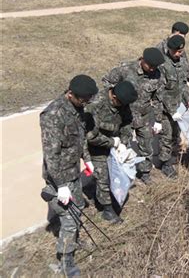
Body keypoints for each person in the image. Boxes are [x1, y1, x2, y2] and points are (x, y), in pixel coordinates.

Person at [40, 74, 98, 277]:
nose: (86, 103)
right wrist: (61, 185)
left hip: (73, 172)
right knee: (69, 219)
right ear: (71, 94)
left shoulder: (77, 107)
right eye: (83, 100)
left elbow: (80, 138)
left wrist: (87, 159)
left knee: (78, 208)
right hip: (59, 178)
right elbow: (51, 156)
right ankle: (66, 261)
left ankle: (72, 240)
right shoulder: (53, 115)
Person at [103, 48, 165, 184]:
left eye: (155, 67)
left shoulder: (157, 74)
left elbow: (157, 99)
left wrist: (158, 120)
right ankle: (119, 175)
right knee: (121, 147)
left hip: (143, 116)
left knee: (147, 146)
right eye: (150, 66)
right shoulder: (125, 69)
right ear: (142, 60)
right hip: (124, 118)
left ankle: (145, 173)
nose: (152, 69)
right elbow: (106, 83)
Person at [84, 81, 138, 223]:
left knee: (117, 173)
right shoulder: (95, 105)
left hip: (115, 145)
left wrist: (123, 143)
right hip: (96, 147)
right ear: (113, 96)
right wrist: (112, 142)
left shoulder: (123, 102)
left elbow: (127, 122)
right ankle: (107, 210)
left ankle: (112, 197)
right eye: (120, 103)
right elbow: (90, 135)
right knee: (103, 178)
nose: (123, 106)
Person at [157, 34, 189, 178]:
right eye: (176, 52)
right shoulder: (162, 66)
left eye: (181, 51)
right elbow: (160, 92)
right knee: (166, 136)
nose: (179, 54)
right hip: (165, 109)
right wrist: (172, 111)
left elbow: (183, 85)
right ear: (169, 49)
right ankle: (165, 163)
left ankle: (173, 157)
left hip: (179, 106)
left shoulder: (182, 63)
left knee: (176, 134)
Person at [156, 21, 189, 92]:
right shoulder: (160, 48)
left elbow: (185, 66)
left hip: (179, 89)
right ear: (176, 32)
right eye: (183, 35)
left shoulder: (180, 46)